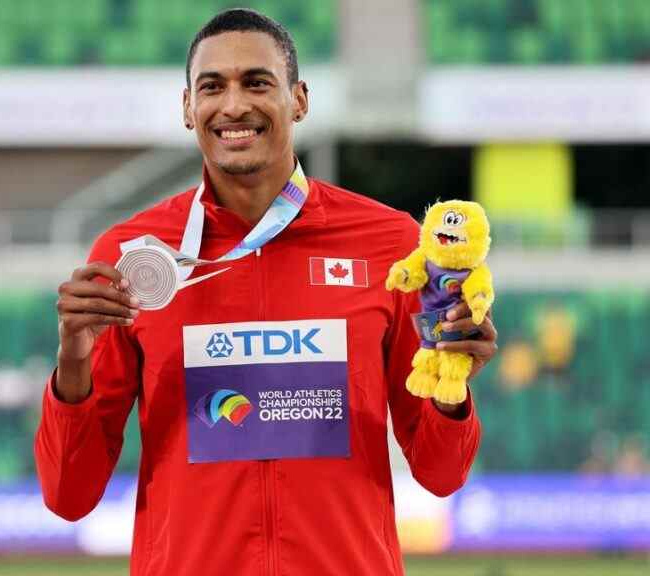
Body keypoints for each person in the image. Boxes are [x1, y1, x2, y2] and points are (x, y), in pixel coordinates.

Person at [35, 9, 497, 576]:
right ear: (188, 108)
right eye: (212, 87)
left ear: (299, 99)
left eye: (257, 82)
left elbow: (441, 473)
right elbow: (68, 495)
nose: (233, 106)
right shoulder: (132, 257)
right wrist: (73, 363)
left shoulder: (392, 244)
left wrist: (450, 389)